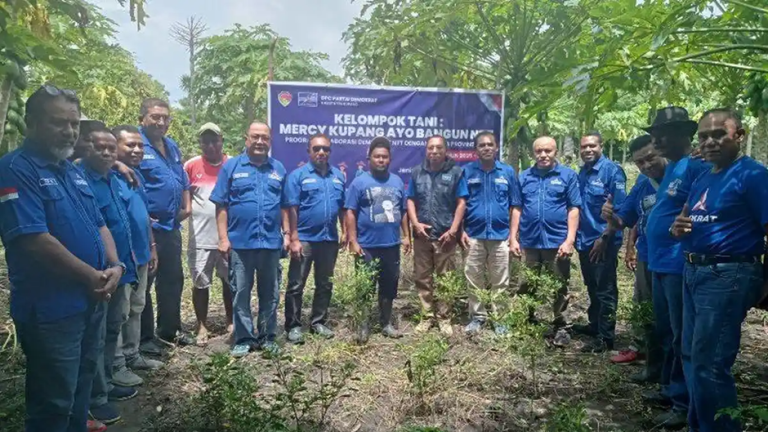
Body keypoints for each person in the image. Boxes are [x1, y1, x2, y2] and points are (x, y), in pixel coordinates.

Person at [0, 84, 122, 432]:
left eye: (73, 124)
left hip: (91, 300)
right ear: (32, 123)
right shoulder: (15, 169)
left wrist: (114, 266)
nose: (69, 131)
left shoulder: (71, 171)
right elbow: (34, 240)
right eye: (58, 123)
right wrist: (92, 277)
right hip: (52, 310)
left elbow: (99, 224)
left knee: (81, 388)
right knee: (53, 400)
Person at [671, 109, 768, 432]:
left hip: (727, 275)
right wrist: (679, 229)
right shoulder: (704, 177)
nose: (709, 142)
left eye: (718, 134)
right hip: (694, 271)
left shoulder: (752, 175)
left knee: (711, 365)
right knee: (692, 357)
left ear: (738, 136)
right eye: (703, 136)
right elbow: (682, 222)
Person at [643, 106, 710, 429]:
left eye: (662, 136)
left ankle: (684, 403)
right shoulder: (671, 168)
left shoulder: (697, 166)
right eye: (655, 136)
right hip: (659, 261)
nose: (657, 142)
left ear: (686, 135)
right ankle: (671, 389)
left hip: (678, 262)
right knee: (667, 330)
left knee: (683, 334)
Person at [210, 122, 290, 358]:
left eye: (264, 137)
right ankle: (244, 337)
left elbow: (285, 206)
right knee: (241, 292)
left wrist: (286, 235)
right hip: (240, 244)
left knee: (271, 293)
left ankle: (267, 337)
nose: (259, 142)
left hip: (270, 244)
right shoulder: (232, 167)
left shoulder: (278, 169)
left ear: (270, 141)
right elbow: (221, 205)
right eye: (255, 137)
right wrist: (223, 238)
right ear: (246, 139)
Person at [78, 125, 140, 425]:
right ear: (83, 146)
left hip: (121, 268)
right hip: (97, 272)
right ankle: (95, 398)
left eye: (109, 148)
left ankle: (107, 382)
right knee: (96, 336)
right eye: (97, 146)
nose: (104, 152)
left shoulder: (115, 178)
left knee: (112, 328)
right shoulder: (78, 179)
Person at [601, 135, 666, 381]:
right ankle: (653, 368)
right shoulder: (642, 182)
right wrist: (610, 217)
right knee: (646, 312)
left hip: (676, 261)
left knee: (672, 321)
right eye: (640, 162)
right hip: (648, 256)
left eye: (650, 158)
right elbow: (624, 219)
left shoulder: (684, 174)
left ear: (661, 150)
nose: (647, 165)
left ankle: (673, 381)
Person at [136, 98, 194, 351]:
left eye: (165, 117)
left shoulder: (171, 146)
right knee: (144, 284)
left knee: (173, 280)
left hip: (171, 228)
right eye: (155, 117)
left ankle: (170, 330)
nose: (161, 122)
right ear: (142, 119)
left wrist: (187, 207)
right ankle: (144, 339)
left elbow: (181, 178)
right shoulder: (135, 145)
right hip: (146, 230)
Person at [110, 125, 164, 389]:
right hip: (120, 260)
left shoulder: (135, 176)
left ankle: (133, 354)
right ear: (114, 147)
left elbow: (144, 216)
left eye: (140, 145)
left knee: (136, 307)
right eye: (130, 145)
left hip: (141, 254)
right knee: (119, 312)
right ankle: (116, 363)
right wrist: (115, 166)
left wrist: (152, 246)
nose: (137, 150)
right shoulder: (105, 176)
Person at [345, 136, 411, 343]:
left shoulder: (397, 181)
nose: (380, 160)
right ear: (369, 158)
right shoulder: (359, 182)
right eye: (377, 156)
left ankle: (386, 323)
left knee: (389, 286)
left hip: (391, 246)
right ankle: (363, 326)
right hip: (367, 247)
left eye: (384, 157)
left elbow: (403, 211)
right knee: (365, 287)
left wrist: (407, 236)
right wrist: (353, 241)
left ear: (389, 159)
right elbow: (350, 212)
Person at [511, 136, 580, 330]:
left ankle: (560, 323)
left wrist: (569, 240)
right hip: (530, 241)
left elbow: (573, 209)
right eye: (539, 151)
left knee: (559, 284)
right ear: (533, 153)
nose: (543, 155)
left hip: (556, 241)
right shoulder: (524, 177)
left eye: (547, 151)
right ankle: (526, 319)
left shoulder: (567, 176)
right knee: (526, 283)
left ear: (555, 152)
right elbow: (517, 207)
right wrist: (512, 238)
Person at [284, 133, 346, 343]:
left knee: (325, 284)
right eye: (317, 148)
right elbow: (291, 208)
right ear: (309, 151)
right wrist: (293, 238)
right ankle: (293, 326)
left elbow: (343, 208)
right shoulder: (298, 176)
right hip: (304, 239)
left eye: (325, 149)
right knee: (296, 284)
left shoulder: (338, 176)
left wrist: (345, 231)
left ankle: (318, 321)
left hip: (329, 240)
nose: (321, 152)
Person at [460, 131, 521, 335]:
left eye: (489, 144)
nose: (486, 148)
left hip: (500, 236)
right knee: (473, 278)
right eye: (481, 145)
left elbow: (516, 206)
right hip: (473, 235)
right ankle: (478, 317)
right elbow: (459, 204)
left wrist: (513, 238)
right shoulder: (467, 172)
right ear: (475, 149)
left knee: (501, 280)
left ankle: (500, 319)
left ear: (496, 148)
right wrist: (460, 231)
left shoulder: (507, 172)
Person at [407, 135, 468, 335]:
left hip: (445, 237)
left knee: (445, 279)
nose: (434, 151)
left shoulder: (456, 172)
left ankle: (444, 318)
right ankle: (426, 317)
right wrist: (415, 224)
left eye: (438, 147)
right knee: (423, 278)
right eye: (431, 147)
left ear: (445, 150)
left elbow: (461, 203)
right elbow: (410, 200)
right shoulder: (417, 172)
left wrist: (454, 230)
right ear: (426, 150)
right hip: (422, 237)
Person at [574, 131, 627, 353]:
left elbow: (621, 210)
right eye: (584, 146)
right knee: (592, 286)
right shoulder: (583, 172)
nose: (588, 150)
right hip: (584, 240)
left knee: (605, 289)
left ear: (601, 146)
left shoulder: (612, 172)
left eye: (592, 146)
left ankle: (606, 338)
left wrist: (605, 237)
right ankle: (594, 325)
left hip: (603, 241)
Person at [184, 122, 233, 345]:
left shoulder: (233, 165)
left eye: (215, 140)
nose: (211, 145)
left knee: (230, 282)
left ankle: (231, 321)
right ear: (200, 143)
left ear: (222, 141)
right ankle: (201, 325)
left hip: (229, 238)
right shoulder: (191, 166)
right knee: (200, 283)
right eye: (206, 141)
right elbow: (184, 198)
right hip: (200, 238)